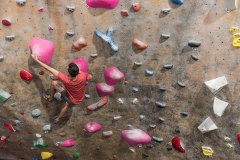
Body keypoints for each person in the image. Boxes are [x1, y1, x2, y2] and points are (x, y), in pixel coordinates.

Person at [31, 53, 92, 123]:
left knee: (54, 84)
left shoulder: (65, 79)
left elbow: (48, 68)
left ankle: (51, 100)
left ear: (69, 72)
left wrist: (36, 60)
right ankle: (58, 118)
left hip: (72, 99)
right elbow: (90, 77)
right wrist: (84, 81)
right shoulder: (82, 75)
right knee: (59, 83)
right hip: (80, 97)